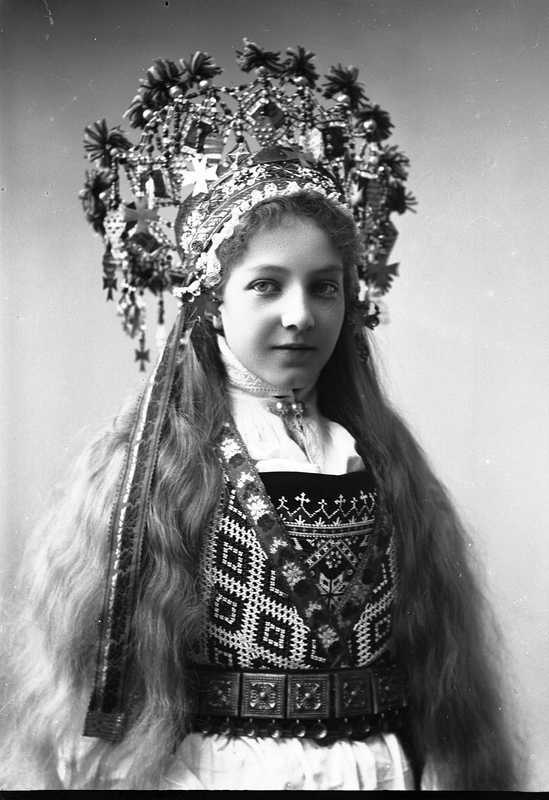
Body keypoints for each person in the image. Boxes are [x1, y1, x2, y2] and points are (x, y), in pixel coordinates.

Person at [1, 43, 521, 791]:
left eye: (324, 287)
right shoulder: (156, 468)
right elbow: (104, 686)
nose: (299, 316)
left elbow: (433, 667)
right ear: (212, 303)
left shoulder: (377, 460)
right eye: (266, 286)